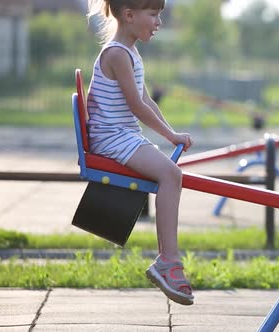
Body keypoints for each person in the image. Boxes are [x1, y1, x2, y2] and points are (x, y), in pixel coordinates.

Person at [86, 0, 194, 305]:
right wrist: (170, 135)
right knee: (171, 175)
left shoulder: (130, 52)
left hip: (120, 135)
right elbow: (137, 107)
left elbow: (146, 101)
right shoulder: (118, 54)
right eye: (153, 14)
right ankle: (168, 262)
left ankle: (168, 261)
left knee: (170, 174)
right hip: (112, 137)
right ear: (129, 15)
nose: (159, 21)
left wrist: (171, 133)